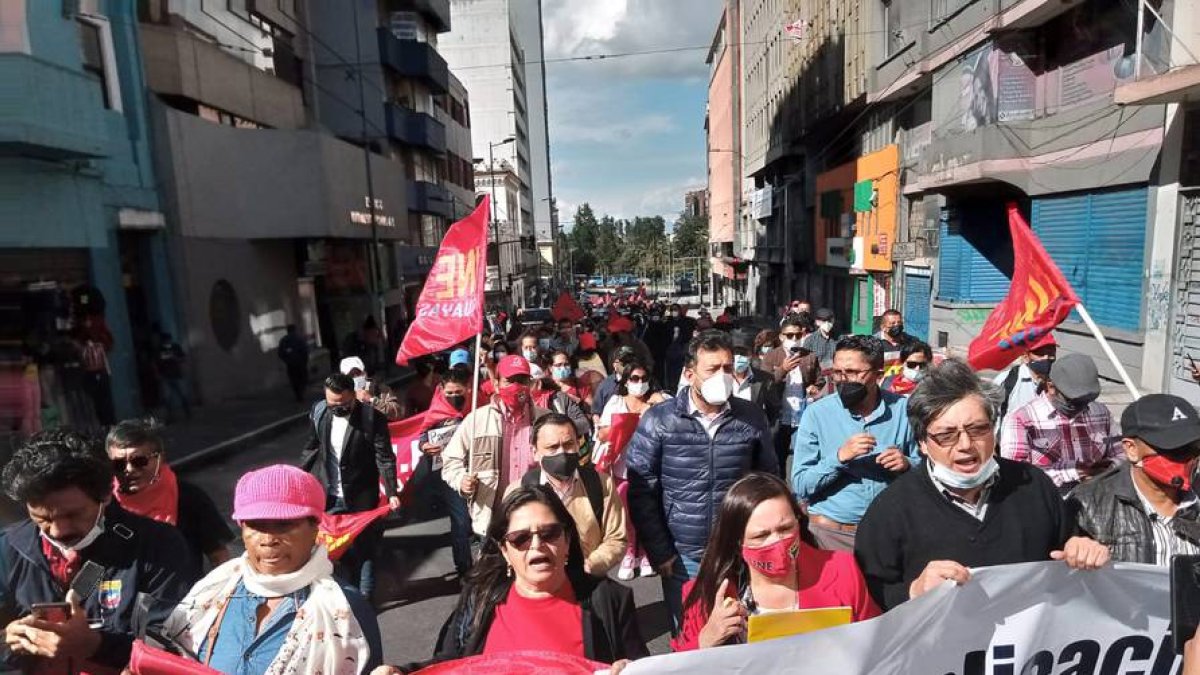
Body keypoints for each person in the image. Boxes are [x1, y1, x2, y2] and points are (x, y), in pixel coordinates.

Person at [854, 360, 1111, 611]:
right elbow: (868, 594)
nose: (965, 444)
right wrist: (914, 591)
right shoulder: (891, 509)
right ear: (922, 442)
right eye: (946, 435)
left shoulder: (1033, 485)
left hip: (1025, 649)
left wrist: (1082, 547)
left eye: (978, 430)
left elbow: (1068, 542)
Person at [374, 486, 648, 672]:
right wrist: (402, 671)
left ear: (567, 540)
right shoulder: (480, 597)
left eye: (549, 533)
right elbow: (451, 663)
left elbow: (640, 666)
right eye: (521, 538)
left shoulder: (609, 598)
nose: (537, 545)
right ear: (505, 551)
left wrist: (631, 670)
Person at [0, 431, 197, 671]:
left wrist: (96, 645)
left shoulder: (158, 545)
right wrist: (9, 643)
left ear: (106, 495)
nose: (58, 531)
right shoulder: (7, 549)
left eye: (72, 515)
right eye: (41, 518)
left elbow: (177, 649)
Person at [626, 330, 777, 634]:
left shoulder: (749, 417)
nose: (722, 376)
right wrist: (661, 552)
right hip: (684, 557)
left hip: (739, 552)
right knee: (688, 638)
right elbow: (642, 491)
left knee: (742, 635)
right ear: (690, 373)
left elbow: (768, 481)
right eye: (712, 369)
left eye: (727, 368)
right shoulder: (660, 419)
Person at [162, 465, 382, 674]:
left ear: (315, 528)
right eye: (256, 525)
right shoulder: (212, 592)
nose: (268, 539)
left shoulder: (346, 610)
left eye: (284, 525)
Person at [672, 473, 879, 651]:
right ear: (737, 542)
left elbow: (874, 643)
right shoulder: (707, 595)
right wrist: (705, 641)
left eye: (785, 528)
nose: (777, 542)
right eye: (761, 535)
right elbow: (678, 667)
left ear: (799, 522)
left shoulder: (843, 570)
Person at [791, 335, 920, 552]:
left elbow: (929, 471)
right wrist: (839, 458)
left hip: (888, 534)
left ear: (878, 374)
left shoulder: (903, 411)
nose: (843, 379)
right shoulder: (817, 414)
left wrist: (907, 464)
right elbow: (801, 484)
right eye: (837, 372)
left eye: (852, 372)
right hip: (832, 536)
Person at [300, 373, 401, 600]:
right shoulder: (319, 414)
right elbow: (311, 449)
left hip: (362, 496)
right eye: (332, 404)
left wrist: (392, 491)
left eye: (343, 404)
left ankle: (365, 596)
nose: (337, 408)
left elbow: (384, 457)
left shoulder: (372, 418)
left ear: (354, 396)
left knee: (365, 547)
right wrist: (298, 479)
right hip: (331, 496)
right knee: (332, 546)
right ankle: (348, 585)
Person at [1067, 394, 1200, 565]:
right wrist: (1080, 551)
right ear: (1131, 449)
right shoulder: (1088, 504)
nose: (1187, 459)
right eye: (1173, 449)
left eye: (1194, 448)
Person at [441, 355, 552, 537]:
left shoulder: (546, 420)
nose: (516, 387)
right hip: (492, 518)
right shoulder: (477, 420)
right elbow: (450, 460)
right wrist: (462, 480)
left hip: (536, 516)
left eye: (522, 380)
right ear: (497, 383)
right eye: (510, 381)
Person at [107, 418, 234, 570]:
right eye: (119, 464)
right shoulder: (102, 503)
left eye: (139, 461)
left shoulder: (189, 497)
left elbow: (219, 557)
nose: (129, 469)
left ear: (160, 458)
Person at [509, 414, 627, 577]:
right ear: (535, 452)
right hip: (539, 586)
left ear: (578, 445)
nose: (562, 453)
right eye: (552, 447)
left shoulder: (600, 484)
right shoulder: (519, 491)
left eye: (568, 444)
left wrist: (591, 564)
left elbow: (616, 538)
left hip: (588, 580)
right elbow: (509, 544)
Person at [1000, 353, 1123, 494]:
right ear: (1051, 387)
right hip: (1049, 500)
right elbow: (1015, 473)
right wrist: (1074, 472)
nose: (1082, 406)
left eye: (1088, 399)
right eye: (1075, 400)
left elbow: (1121, 452)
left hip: (1097, 499)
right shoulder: (1021, 419)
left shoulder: (1101, 412)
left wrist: (1107, 469)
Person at [595, 355, 669, 581]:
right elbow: (602, 433)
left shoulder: (659, 400)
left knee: (651, 513)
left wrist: (658, 403)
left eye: (644, 378)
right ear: (626, 381)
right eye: (634, 378)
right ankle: (629, 554)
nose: (639, 382)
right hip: (623, 469)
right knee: (626, 515)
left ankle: (647, 554)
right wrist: (621, 427)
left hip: (652, 470)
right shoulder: (616, 403)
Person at [410, 367, 476, 577]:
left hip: (478, 471)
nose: (454, 398)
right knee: (461, 522)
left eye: (459, 393)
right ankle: (464, 568)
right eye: (449, 394)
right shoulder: (436, 411)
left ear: (467, 389)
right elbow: (422, 436)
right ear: (441, 391)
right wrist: (425, 447)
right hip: (450, 475)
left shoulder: (476, 406)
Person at [761, 314, 823, 471]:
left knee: (802, 457)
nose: (794, 338)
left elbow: (820, 380)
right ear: (782, 336)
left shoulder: (809, 356)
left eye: (798, 335)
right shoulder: (771, 356)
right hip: (779, 416)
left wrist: (814, 387)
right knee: (778, 458)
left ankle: (801, 489)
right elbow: (764, 384)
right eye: (790, 335)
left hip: (802, 415)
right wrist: (783, 370)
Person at [992, 332, 1057, 429]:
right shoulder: (1007, 380)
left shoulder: (1058, 381)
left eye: (1051, 353)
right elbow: (989, 415)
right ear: (1026, 357)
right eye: (1040, 353)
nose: (1046, 358)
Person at [731, 337, 779, 425]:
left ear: (752, 355)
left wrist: (767, 435)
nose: (738, 357)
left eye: (743, 353)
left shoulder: (765, 379)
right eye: (735, 353)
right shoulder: (721, 378)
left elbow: (773, 412)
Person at [341, 356, 403, 421]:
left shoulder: (381, 389)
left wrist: (371, 399)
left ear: (365, 373)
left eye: (358, 373)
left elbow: (397, 414)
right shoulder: (340, 397)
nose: (356, 377)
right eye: (351, 375)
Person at [591, 346, 637, 427]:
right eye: (623, 362)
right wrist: (599, 427)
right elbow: (596, 412)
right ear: (614, 365)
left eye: (630, 361)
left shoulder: (644, 380)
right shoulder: (606, 385)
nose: (627, 366)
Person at [154, 331, 191, 422]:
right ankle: (170, 417)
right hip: (165, 376)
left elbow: (183, 358)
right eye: (165, 341)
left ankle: (188, 413)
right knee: (167, 398)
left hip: (176, 375)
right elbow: (155, 362)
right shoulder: (159, 349)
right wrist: (157, 373)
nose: (167, 343)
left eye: (168, 341)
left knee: (183, 395)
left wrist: (175, 358)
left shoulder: (175, 347)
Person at [277, 324, 309, 402]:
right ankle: (301, 393)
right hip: (300, 363)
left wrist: (286, 360)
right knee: (303, 378)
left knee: (294, 380)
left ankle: (298, 394)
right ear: (295, 330)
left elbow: (280, 353)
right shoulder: (299, 339)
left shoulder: (284, 340)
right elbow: (305, 351)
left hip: (291, 364)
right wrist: (305, 361)